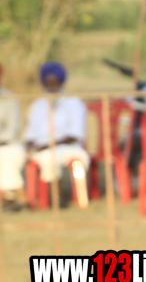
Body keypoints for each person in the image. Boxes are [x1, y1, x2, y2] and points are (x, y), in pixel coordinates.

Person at [24, 62, 89, 197]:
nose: (51, 85)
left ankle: (56, 194)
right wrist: (30, 148)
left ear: (61, 81)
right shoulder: (37, 105)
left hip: (68, 148)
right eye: (48, 81)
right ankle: (33, 196)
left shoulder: (74, 102)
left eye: (55, 81)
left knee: (50, 157)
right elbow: (30, 135)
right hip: (40, 149)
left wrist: (49, 145)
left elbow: (75, 135)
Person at [0, 62, 24, 211]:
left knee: (5, 155)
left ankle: (20, 198)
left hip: (7, 144)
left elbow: (13, 129)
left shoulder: (9, 98)